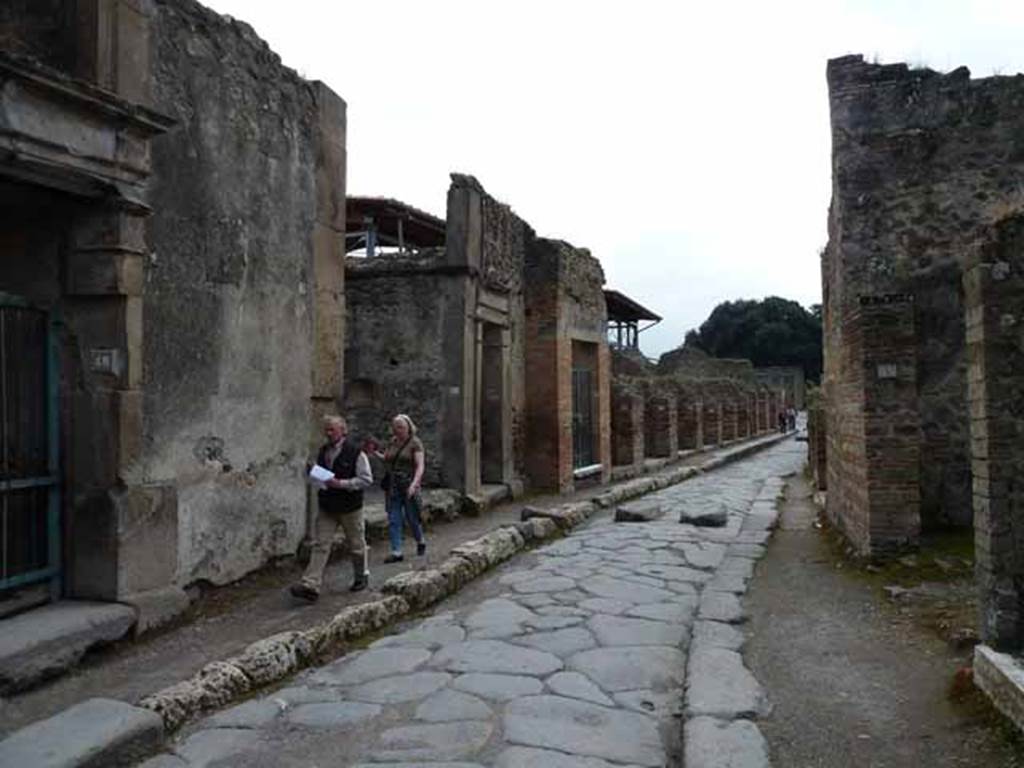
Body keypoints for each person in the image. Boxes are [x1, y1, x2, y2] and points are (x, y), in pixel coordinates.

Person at [291, 415, 373, 601]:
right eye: (326, 430)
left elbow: (366, 479)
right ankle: (310, 585)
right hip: (327, 505)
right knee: (321, 545)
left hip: (350, 507)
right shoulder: (323, 451)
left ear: (343, 431)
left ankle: (361, 576)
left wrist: (341, 483)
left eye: (332, 430)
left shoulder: (356, 453)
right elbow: (321, 476)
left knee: (357, 545)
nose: (328, 433)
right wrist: (314, 473)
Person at [376, 413, 426, 562]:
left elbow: (420, 466)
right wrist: (374, 453)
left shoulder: (415, 443)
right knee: (393, 518)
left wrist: (414, 484)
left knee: (412, 518)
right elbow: (387, 458)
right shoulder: (392, 442)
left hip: (409, 484)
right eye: (395, 427)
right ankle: (397, 551)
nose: (398, 429)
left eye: (401, 427)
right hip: (393, 485)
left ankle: (420, 540)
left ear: (408, 427)